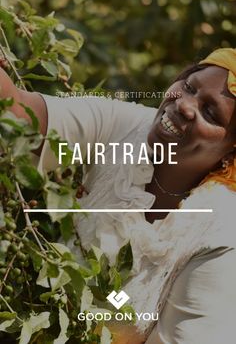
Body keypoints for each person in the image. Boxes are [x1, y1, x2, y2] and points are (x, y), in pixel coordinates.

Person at [0, 48, 236, 344]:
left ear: (232, 150)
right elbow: (25, 120)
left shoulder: (221, 234)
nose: (185, 105)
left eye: (210, 112)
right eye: (188, 87)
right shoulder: (122, 129)